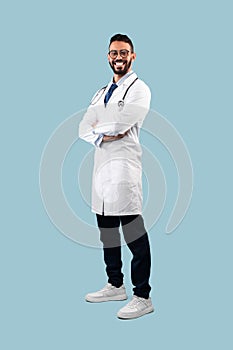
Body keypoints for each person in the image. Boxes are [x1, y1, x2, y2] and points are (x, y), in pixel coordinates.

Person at [79, 33, 154, 319]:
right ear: (108, 56)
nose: (118, 57)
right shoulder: (100, 92)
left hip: (124, 170)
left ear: (132, 56)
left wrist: (101, 128)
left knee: (134, 235)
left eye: (123, 52)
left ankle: (143, 295)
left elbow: (121, 123)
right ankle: (115, 284)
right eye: (113, 52)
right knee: (107, 232)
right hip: (101, 172)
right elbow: (83, 127)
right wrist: (103, 131)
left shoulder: (140, 90)